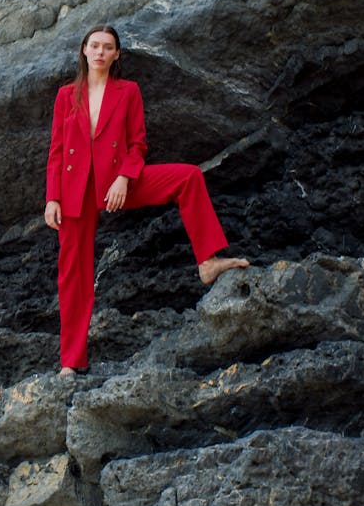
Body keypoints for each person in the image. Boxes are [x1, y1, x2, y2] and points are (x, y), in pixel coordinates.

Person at [44, 24, 249, 375]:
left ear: (117, 55)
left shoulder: (128, 91)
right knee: (73, 277)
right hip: (74, 190)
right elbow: (57, 152)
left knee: (188, 176)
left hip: (117, 181)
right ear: (83, 50)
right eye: (94, 45)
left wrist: (124, 177)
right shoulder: (67, 95)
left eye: (108, 47)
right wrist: (52, 199)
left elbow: (138, 143)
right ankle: (71, 363)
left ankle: (208, 261)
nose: (100, 52)